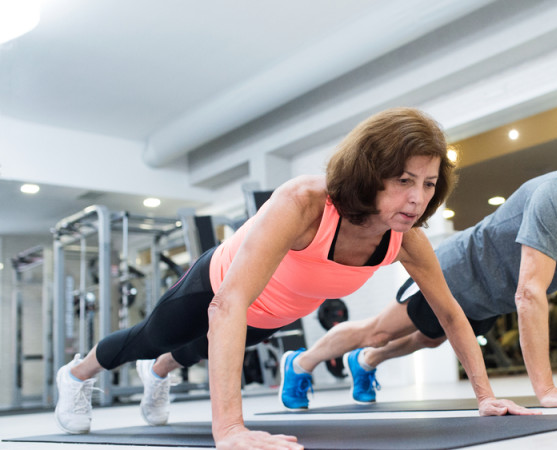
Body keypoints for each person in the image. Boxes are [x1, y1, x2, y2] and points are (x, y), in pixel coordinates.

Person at [53, 108, 532, 450]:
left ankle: (157, 373)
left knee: (192, 352)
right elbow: (226, 305)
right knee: (151, 337)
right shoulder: (305, 203)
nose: (417, 199)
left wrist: (486, 398)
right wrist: (231, 429)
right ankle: (77, 375)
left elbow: (450, 313)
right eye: (404, 180)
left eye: (428, 184)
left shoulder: (405, 238)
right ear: (370, 173)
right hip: (218, 287)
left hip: (276, 311)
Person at [283, 146, 557, 410]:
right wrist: (547, 390)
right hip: (455, 273)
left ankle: (365, 363)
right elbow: (530, 293)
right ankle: (300, 363)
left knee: (428, 339)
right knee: (379, 330)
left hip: (490, 299)